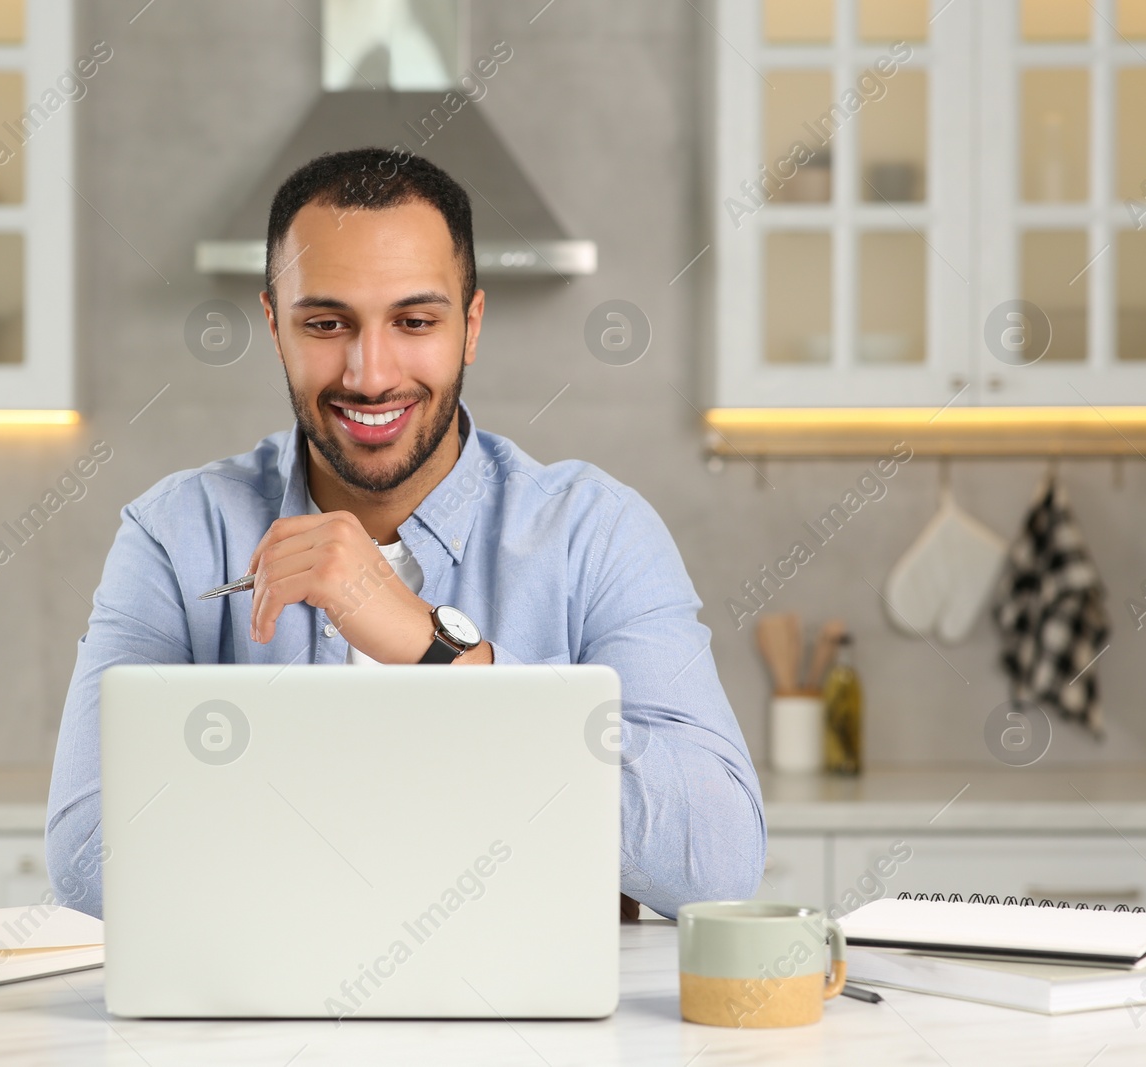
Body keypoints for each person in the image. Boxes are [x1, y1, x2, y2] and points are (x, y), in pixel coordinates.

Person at [47, 146, 765, 918]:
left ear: (471, 325)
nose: (370, 373)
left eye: (415, 321)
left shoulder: (598, 534)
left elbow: (718, 861)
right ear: (274, 326)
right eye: (326, 322)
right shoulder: (174, 535)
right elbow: (89, 854)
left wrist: (433, 648)